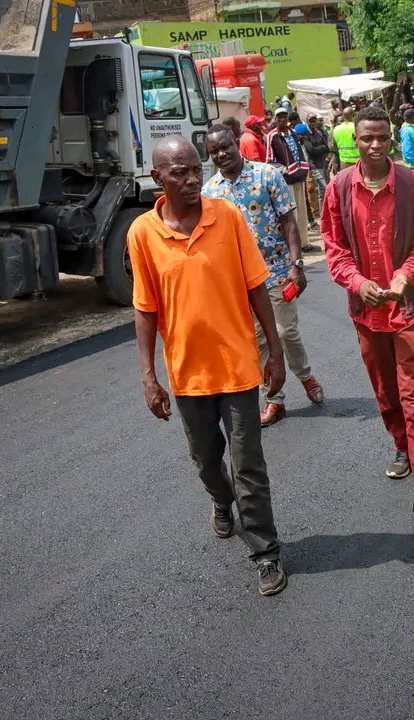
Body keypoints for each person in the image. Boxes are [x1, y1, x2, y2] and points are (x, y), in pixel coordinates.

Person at [128, 135, 288, 596]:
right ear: (157, 178)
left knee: (248, 463)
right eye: (179, 172)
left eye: (195, 169)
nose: (192, 178)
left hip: (238, 365)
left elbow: (256, 285)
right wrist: (148, 376)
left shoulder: (228, 216)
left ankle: (265, 551)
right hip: (187, 372)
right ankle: (221, 501)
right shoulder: (142, 233)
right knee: (206, 459)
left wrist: (274, 351)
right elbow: (145, 307)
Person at [320, 106, 414, 509]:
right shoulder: (339, 188)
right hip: (365, 311)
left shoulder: (412, 185)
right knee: (385, 387)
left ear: (392, 140)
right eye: (367, 138)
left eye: (382, 138)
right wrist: (358, 283)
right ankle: (402, 445)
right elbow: (333, 246)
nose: (375, 145)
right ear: (354, 142)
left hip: (408, 305)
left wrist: (403, 277)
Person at [203, 124, 325, 426]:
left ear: (236, 144)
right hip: (241, 282)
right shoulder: (210, 192)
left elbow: (289, 222)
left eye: (225, 146)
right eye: (214, 151)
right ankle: (274, 398)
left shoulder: (267, 175)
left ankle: (305, 376)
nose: (221, 154)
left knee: (285, 332)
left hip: (278, 272)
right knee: (256, 341)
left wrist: (297, 265)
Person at [266, 107, 313, 254]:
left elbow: (299, 153)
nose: (282, 119)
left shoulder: (292, 133)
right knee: (292, 213)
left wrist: (304, 168)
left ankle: (304, 242)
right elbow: (270, 160)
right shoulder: (272, 136)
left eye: (284, 116)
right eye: (279, 116)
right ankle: (295, 245)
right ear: (275, 118)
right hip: (287, 180)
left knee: (302, 211)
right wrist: (284, 170)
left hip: (299, 176)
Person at [304, 115, 331, 207]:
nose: (313, 123)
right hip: (314, 165)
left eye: (314, 121)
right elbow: (311, 150)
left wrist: (320, 148)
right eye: (310, 121)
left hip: (323, 163)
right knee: (325, 187)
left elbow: (327, 147)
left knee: (322, 190)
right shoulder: (306, 135)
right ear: (307, 122)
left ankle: (324, 212)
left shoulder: (319, 133)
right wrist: (321, 148)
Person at [332, 106, 359, 170]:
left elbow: (334, 147)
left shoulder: (336, 129)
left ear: (343, 117)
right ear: (353, 115)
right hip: (358, 161)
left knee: (346, 179)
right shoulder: (357, 127)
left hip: (344, 163)